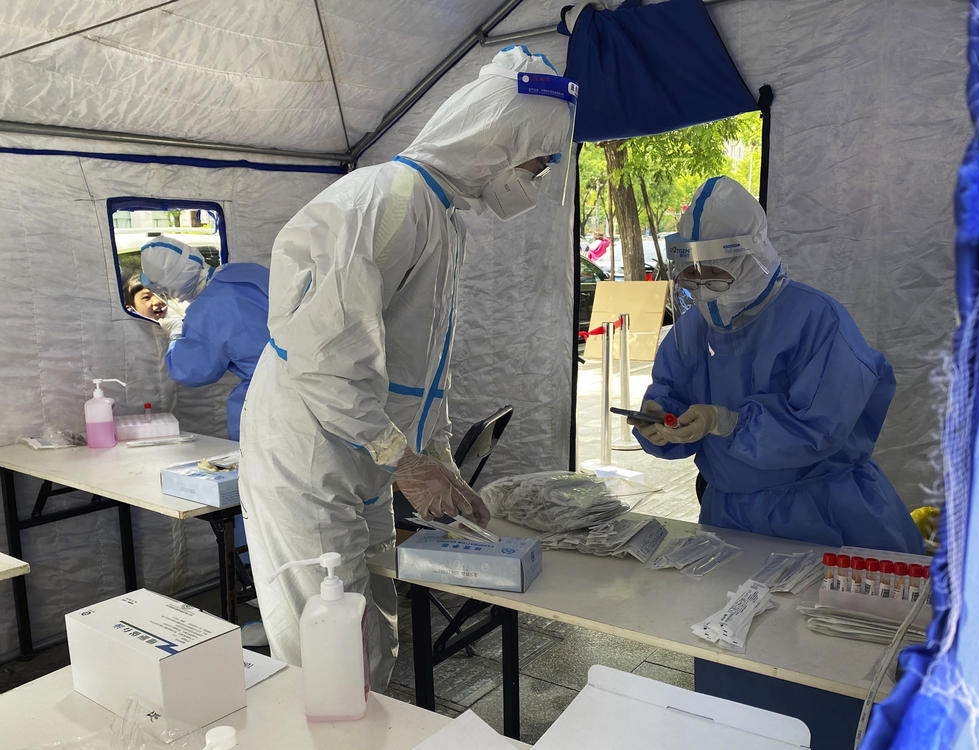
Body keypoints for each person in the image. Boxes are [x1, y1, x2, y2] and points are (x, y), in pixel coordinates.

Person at [238, 46, 577, 688]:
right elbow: (328, 365)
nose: (538, 176)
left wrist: (438, 458)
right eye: (539, 160)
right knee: (325, 647)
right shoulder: (383, 203)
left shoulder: (441, 213)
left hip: (359, 450)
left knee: (370, 627)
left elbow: (419, 372)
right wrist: (407, 462)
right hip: (310, 450)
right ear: (498, 139)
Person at [631, 176, 923, 554]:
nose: (702, 288)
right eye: (692, 276)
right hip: (729, 516)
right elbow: (674, 396)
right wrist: (661, 422)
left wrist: (726, 421)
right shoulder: (691, 332)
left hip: (824, 513)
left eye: (716, 273)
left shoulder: (818, 319)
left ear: (751, 261)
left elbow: (819, 428)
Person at [139, 238, 269, 441]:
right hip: (319, 377)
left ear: (169, 287)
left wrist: (176, 334)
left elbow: (192, 371)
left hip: (271, 399)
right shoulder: (247, 272)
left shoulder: (206, 311)